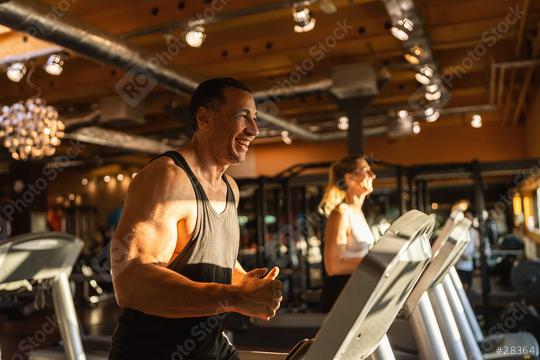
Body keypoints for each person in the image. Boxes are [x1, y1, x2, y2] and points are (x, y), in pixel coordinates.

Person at [109, 78, 283, 360]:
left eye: (254, 118)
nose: (254, 129)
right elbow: (131, 282)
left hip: (210, 348)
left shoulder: (230, 189)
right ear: (204, 118)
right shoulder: (167, 179)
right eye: (243, 116)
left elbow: (207, 259)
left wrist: (243, 282)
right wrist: (234, 298)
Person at [318, 155, 376, 312]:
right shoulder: (341, 213)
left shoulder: (358, 212)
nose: (373, 175)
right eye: (366, 171)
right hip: (341, 295)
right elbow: (333, 266)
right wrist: (377, 263)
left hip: (357, 291)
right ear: (350, 178)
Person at [456, 210, 480, 293]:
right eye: (466, 217)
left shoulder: (475, 232)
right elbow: (455, 247)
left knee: (469, 285)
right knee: (462, 286)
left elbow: (477, 246)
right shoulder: (459, 231)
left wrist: (472, 255)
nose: (468, 219)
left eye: (469, 217)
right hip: (460, 264)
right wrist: (462, 255)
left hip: (469, 264)